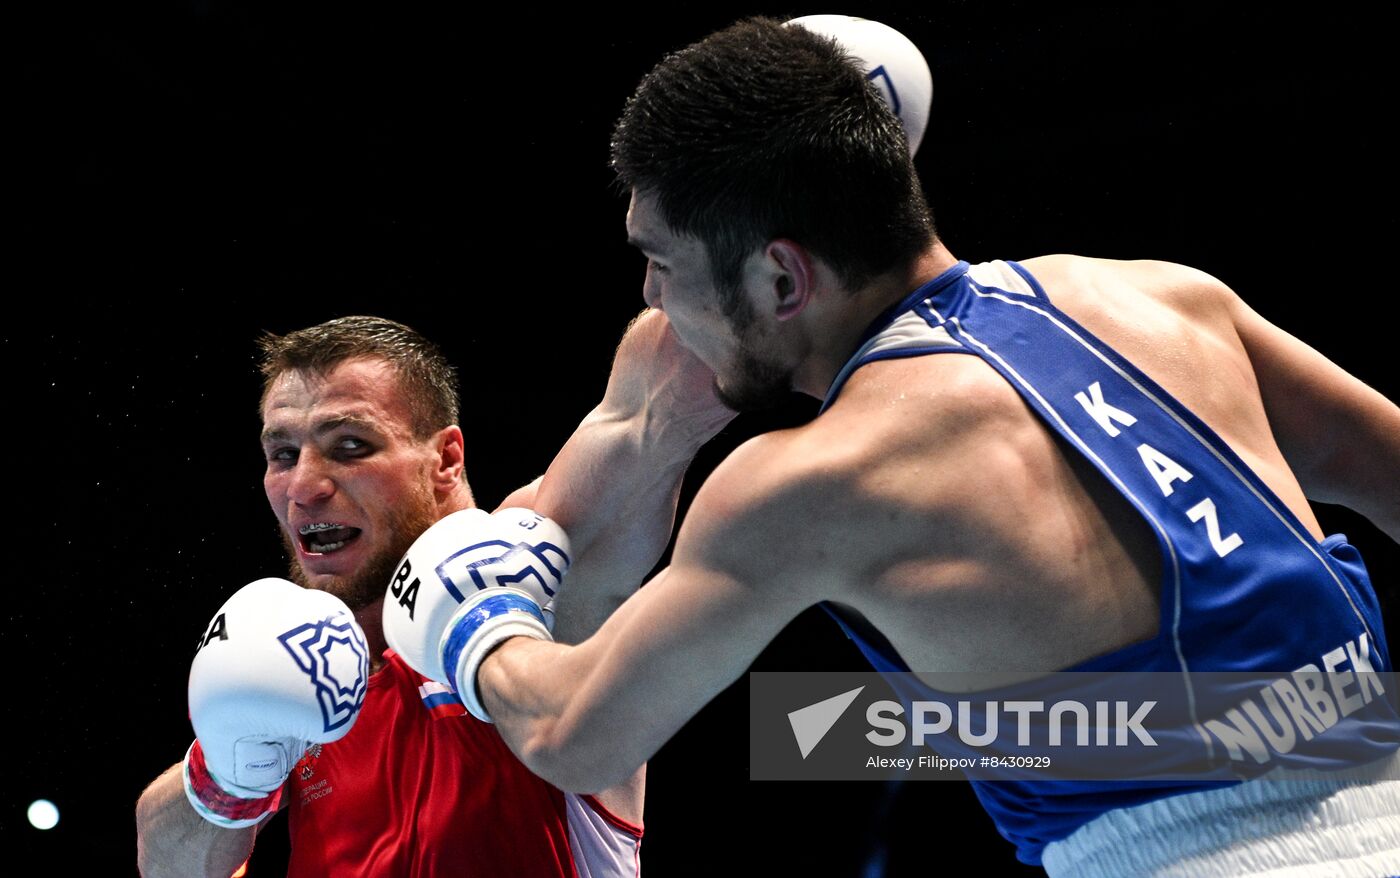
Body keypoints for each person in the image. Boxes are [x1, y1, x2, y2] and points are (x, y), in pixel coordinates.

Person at [382, 17, 1400, 876]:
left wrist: (478, 625)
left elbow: (579, 733)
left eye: (659, 262)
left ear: (782, 279)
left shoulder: (815, 478)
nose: (651, 296)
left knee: (822, 733)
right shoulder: (1164, 295)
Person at [134, 313, 733, 877]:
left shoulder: (537, 576)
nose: (305, 487)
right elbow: (164, 862)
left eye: (350, 446)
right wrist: (226, 774)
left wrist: (714, 226)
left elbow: (649, 412)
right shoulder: (298, 660)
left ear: (446, 459)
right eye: (283, 454)